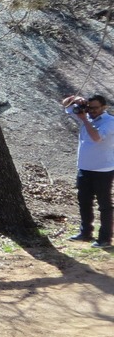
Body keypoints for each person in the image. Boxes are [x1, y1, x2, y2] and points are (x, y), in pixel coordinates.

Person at [62, 94, 114, 248]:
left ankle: (104, 239)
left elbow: (96, 138)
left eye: (95, 108)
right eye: (89, 108)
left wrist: (84, 119)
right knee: (84, 202)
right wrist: (75, 98)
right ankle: (85, 233)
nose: (92, 111)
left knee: (104, 205)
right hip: (84, 168)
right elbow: (66, 105)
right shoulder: (86, 116)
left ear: (104, 107)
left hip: (103, 169)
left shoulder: (110, 122)